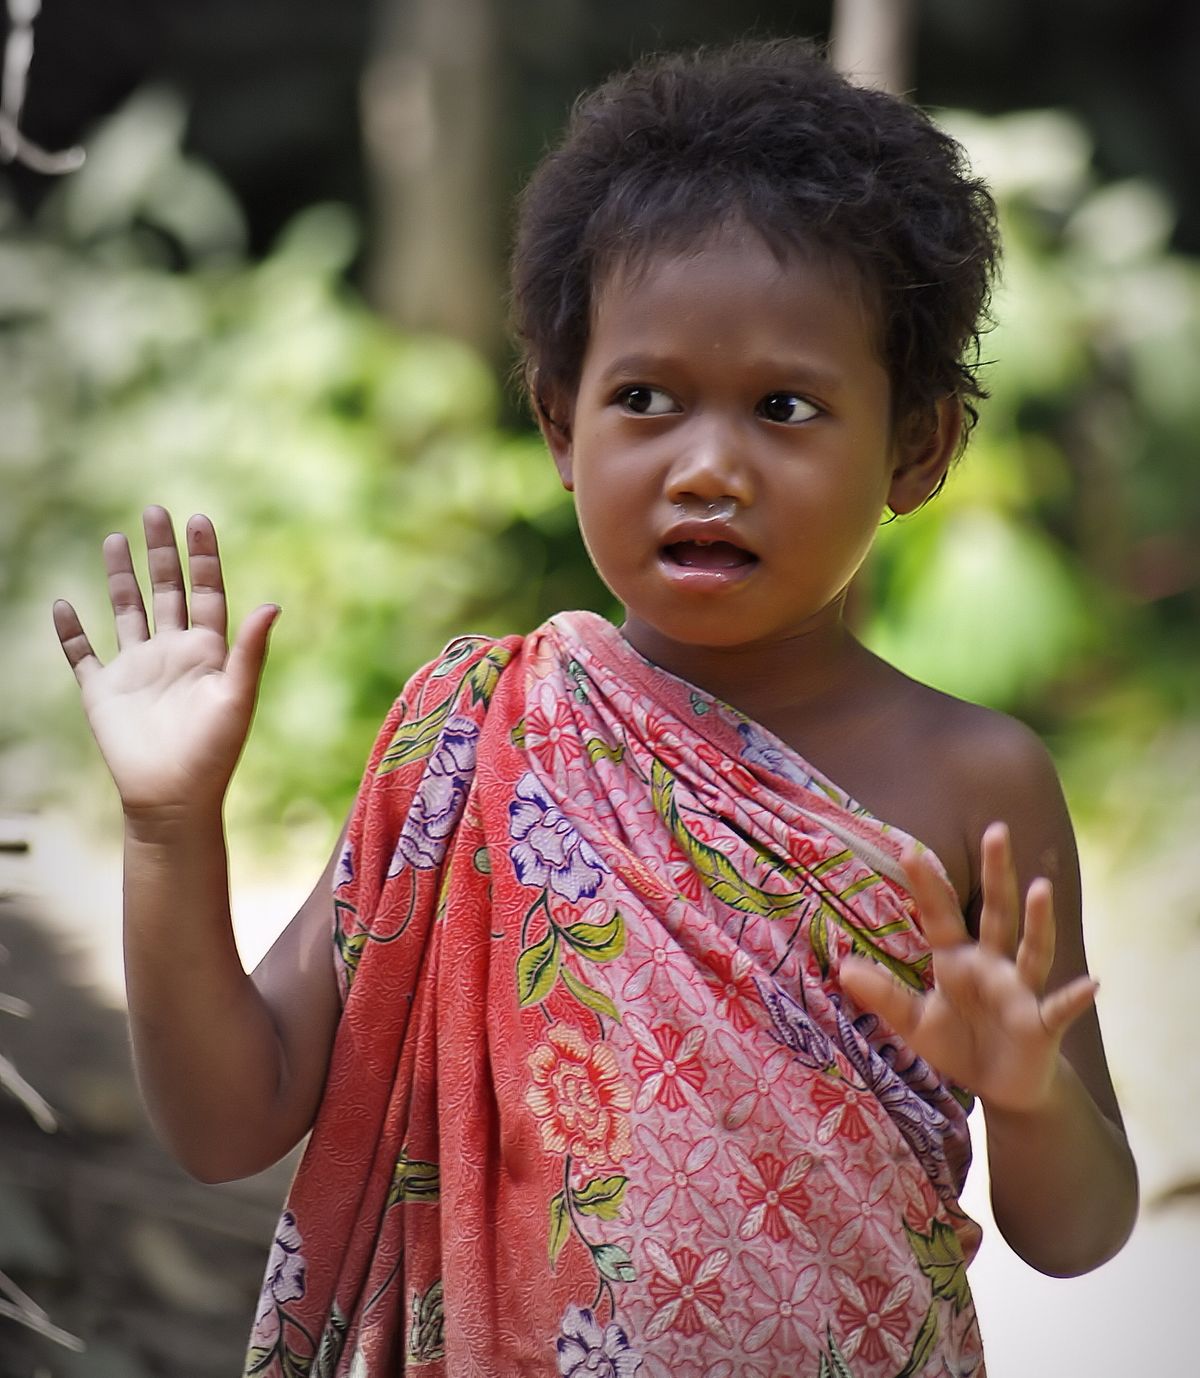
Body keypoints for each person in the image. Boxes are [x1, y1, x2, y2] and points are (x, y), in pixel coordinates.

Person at [52, 38, 1137, 1378]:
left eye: (784, 407)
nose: (707, 467)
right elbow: (232, 1118)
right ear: (561, 426)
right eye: (645, 399)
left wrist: (1029, 1096)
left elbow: (1082, 1230)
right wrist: (170, 832)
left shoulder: (978, 781)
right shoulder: (479, 735)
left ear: (918, 447)